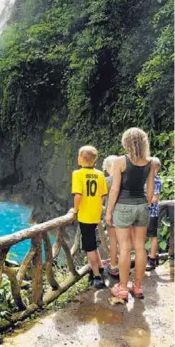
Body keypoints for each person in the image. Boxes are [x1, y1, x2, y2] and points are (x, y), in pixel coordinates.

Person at [105, 128, 155, 300]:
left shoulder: (120, 161)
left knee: (125, 247)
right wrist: (144, 204)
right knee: (140, 247)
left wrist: (109, 211)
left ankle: (124, 288)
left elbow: (115, 189)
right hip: (141, 205)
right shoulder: (150, 162)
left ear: (126, 142)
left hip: (123, 207)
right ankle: (138, 287)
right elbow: (150, 189)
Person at [69, 145, 108, 289]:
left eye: (78, 156)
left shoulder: (77, 174)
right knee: (93, 242)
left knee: (89, 247)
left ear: (82, 158)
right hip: (95, 214)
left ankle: (97, 276)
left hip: (85, 215)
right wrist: (97, 209)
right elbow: (102, 196)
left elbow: (78, 195)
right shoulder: (100, 174)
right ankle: (101, 266)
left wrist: (75, 211)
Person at [102, 155, 119, 277]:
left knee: (113, 240)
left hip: (112, 214)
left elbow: (100, 199)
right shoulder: (125, 178)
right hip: (126, 213)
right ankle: (124, 265)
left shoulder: (107, 181)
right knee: (124, 242)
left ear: (108, 167)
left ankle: (113, 265)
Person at [146, 157, 162, 271]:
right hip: (144, 213)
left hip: (152, 213)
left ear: (156, 169)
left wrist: (143, 202)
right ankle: (150, 256)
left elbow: (155, 198)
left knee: (152, 236)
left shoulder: (156, 180)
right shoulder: (146, 180)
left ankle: (152, 258)